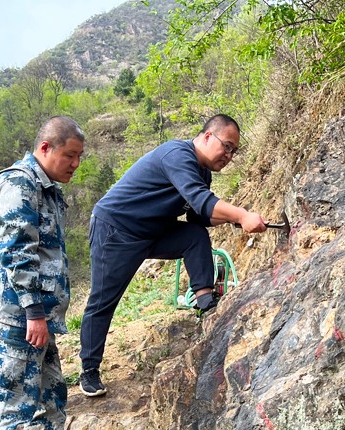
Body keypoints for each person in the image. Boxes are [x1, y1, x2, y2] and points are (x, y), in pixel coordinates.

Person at [78, 114, 268, 397]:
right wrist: (241, 215)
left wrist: (234, 219)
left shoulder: (202, 172)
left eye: (234, 151)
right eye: (227, 146)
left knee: (193, 236)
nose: (229, 156)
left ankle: (205, 302)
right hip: (117, 229)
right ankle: (89, 369)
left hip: (153, 231)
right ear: (207, 136)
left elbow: (197, 215)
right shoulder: (177, 154)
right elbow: (201, 200)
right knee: (103, 300)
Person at [0, 116, 85, 429]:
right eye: (70, 155)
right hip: (17, 318)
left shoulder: (45, 187)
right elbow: (17, 252)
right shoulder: (18, 184)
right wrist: (34, 312)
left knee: (51, 402)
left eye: (79, 156)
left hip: (35, 318)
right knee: (10, 410)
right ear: (46, 147)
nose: (76, 164)